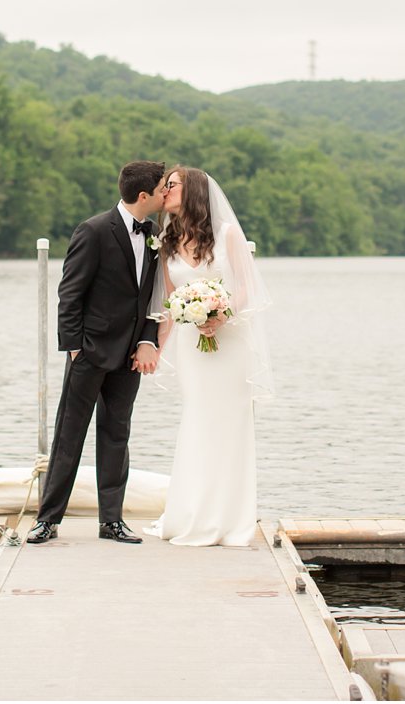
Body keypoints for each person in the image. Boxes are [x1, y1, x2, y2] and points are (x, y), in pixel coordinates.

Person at [28, 160, 166, 545]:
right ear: (144, 195)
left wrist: (148, 339)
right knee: (69, 436)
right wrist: (74, 348)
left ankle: (112, 521)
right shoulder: (92, 230)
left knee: (116, 435)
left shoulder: (155, 235)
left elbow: (154, 296)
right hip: (89, 352)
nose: (164, 196)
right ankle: (48, 519)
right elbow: (69, 294)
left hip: (130, 357)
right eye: (160, 190)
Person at [145, 166, 274, 547]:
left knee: (230, 426)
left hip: (229, 344)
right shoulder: (167, 240)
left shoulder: (228, 235)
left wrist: (220, 314)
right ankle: (192, 513)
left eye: (172, 185)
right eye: (164, 185)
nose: (164, 191)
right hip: (192, 349)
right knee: (198, 422)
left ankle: (230, 519)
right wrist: (152, 347)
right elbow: (168, 304)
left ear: (195, 190)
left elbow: (250, 287)